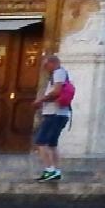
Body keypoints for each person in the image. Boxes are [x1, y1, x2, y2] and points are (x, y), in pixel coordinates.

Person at [34, 52, 75, 183]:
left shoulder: (58, 73)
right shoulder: (61, 73)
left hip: (54, 114)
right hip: (61, 114)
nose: (45, 68)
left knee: (40, 141)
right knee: (52, 143)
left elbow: (56, 91)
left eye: (46, 65)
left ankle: (49, 170)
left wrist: (41, 100)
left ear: (53, 63)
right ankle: (56, 171)